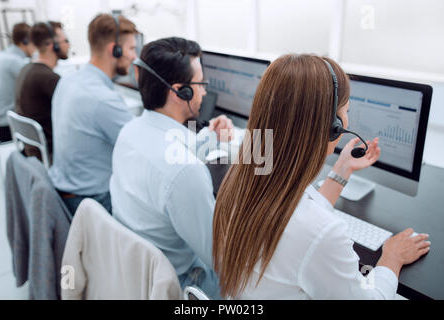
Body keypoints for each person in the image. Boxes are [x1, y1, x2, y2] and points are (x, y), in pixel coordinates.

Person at [212, 54, 431, 300]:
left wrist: (342, 169)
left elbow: (298, 211)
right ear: (331, 127)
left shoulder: (241, 180)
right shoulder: (323, 233)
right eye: (346, 111)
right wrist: (392, 258)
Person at [110, 37, 235, 299]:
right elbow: (222, 259)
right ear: (180, 92)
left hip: (135, 273)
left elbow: (170, 148)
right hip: (179, 283)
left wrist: (211, 137)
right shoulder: (185, 173)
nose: (204, 93)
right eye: (201, 85)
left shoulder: (129, 133)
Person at [49, 14, 138, 215]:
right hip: (93, 201)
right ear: (114, 50)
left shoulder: (68, 81)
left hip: (65, 193)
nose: (134, 56)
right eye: (132, 49)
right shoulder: (102, 99)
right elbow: (144, 148)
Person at [15, 21, 70, 162]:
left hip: (31, 150)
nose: (68, 45)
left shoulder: (26, 69)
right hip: (50, 154)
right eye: (66, 40)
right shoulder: (48, 78)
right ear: (53, 45)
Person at [0, 23, 35, 143]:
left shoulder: (1, 56)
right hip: (8, 123)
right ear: (26, 41)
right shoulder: (16, 62)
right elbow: (33, 88)